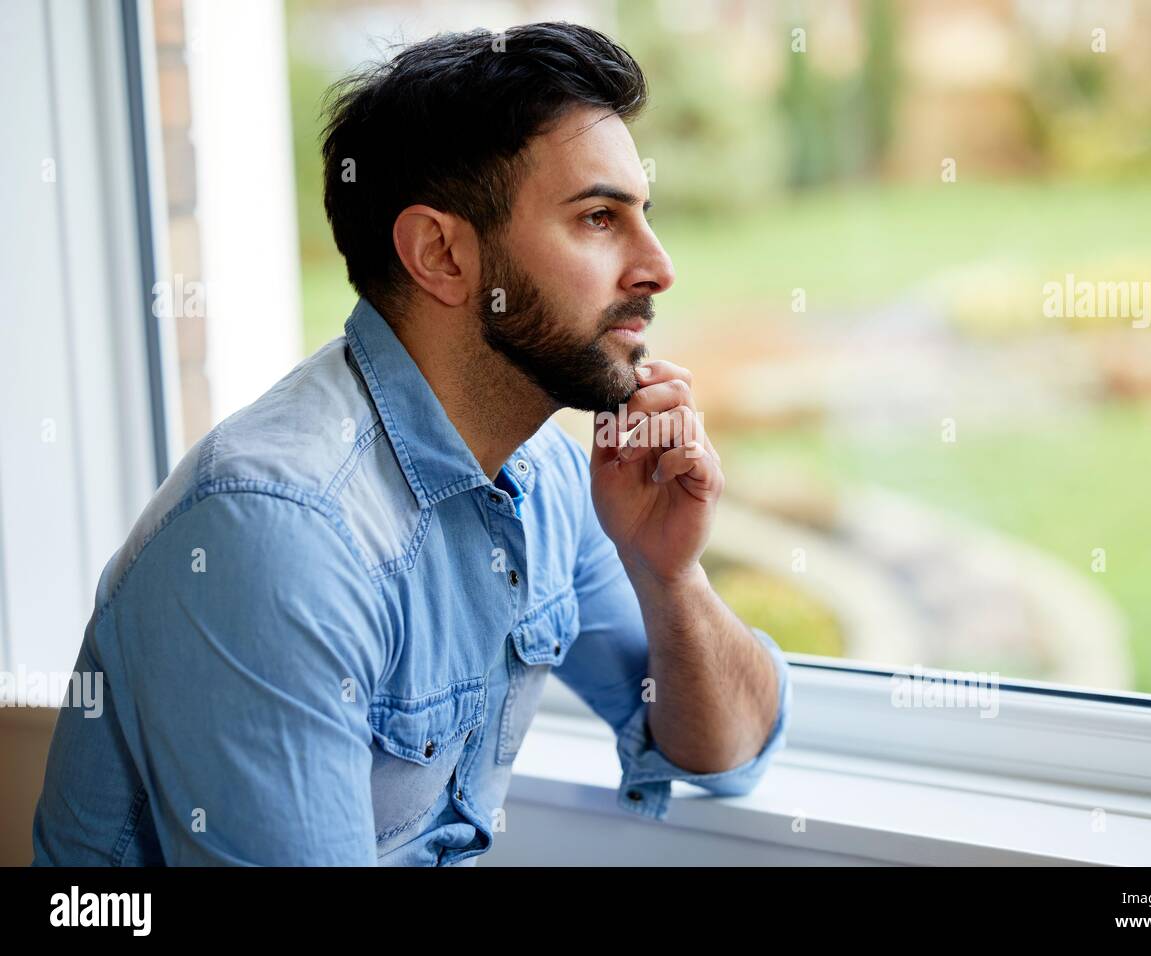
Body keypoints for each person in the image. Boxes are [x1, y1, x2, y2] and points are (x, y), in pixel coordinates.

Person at [31, 21, 791, 866]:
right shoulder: (278, 535)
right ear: (441, 253)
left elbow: (726, 753)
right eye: (598, 218)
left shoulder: (543, 476)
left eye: (642, 216)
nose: (659, 265)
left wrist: (667, 572)